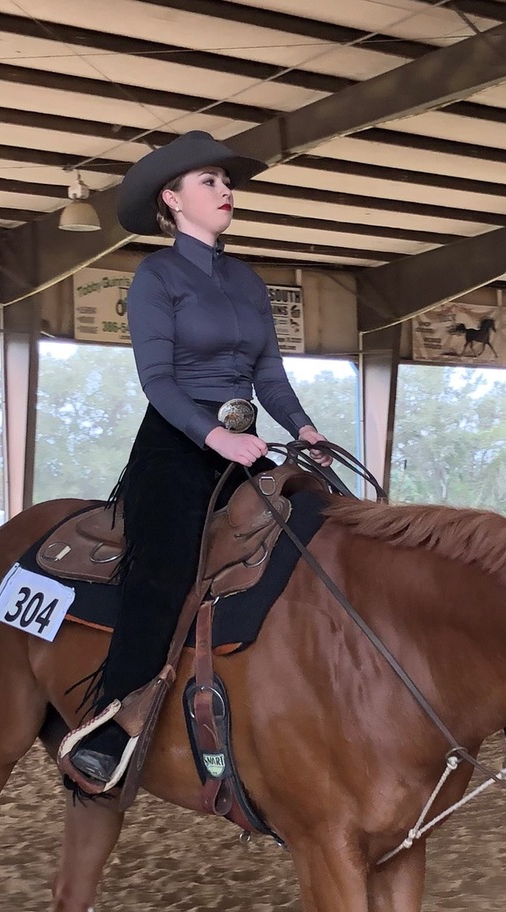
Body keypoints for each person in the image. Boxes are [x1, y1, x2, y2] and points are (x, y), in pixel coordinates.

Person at [56, 131, 330, 795]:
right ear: (172, 201)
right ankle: (112, 725)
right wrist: (215, 437)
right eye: (208, 182)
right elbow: (158, 379)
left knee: (320, 530)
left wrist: (306, 428)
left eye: (225, 181)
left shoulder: (246, 280)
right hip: (176, 444)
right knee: (166, 567)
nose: (225, 190)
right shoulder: (157, 276)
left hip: (248, 442)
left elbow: (269, 371)